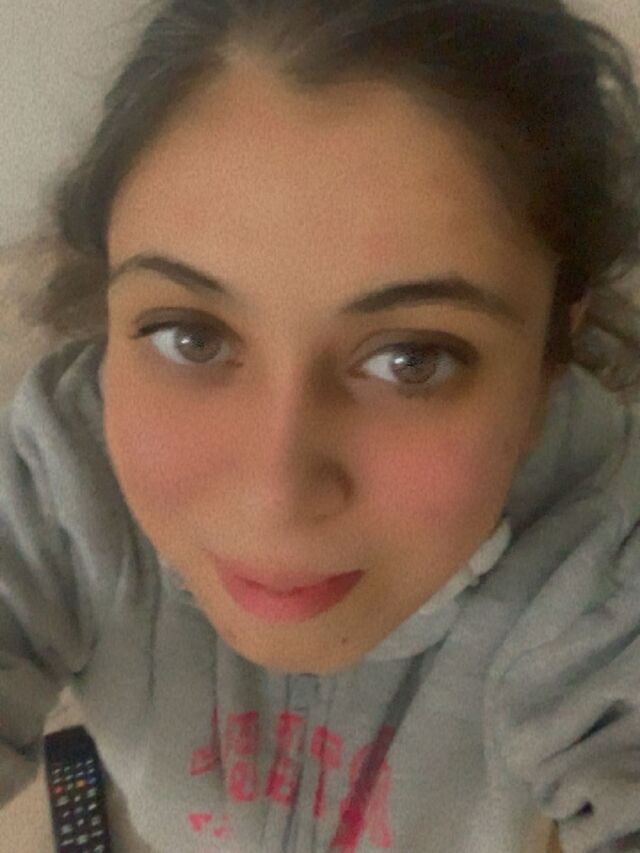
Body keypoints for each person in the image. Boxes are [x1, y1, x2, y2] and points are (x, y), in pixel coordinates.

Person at [2, 0, 640, 850]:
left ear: (551, 356)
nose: (275, 495)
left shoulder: (605, 551)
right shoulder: (62, 471)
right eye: (190, 337)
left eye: (413, 359)